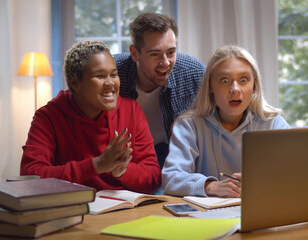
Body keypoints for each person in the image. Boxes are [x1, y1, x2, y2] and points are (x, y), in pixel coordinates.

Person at [20, 40, 161, 193]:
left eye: (114, 74)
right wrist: (97, 165)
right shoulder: (48, 117)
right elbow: (31, 176)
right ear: (75, 83)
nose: (110, 83)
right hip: (73, 208)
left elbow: (153, 177)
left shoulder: (131, 110)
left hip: (123, 207)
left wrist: (122, 171)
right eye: (100, 76)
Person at [162, 45, 290, 197]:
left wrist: (264, 180)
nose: (235, 89)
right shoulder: (188, 125)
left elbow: (299, 170)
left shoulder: (273, 123)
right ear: (210, 86)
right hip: (207, 217)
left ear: (254, 85)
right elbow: (171, 179)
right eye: (224, 80)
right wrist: (210, 186)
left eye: (243, 79)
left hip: (262, 211)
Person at [114, 13, 205, 169]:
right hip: (128, 164)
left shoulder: (194, 72)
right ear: (135, 53)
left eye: (171, 52)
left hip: (177, 164)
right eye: (155, 54)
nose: (165, 63)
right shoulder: (113, 74)